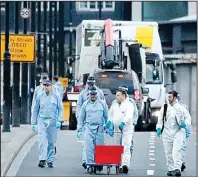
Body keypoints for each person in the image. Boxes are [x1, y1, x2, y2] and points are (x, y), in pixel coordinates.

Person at [31, 80, 63, 168]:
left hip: (52, 121)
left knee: (51, 142)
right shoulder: (40, 96)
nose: (46, 87)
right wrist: (33, 123)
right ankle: (42, 159)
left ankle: (50, 160)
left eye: (48, 85)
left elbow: (60, 108)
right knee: (42, 140)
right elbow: (35, 109)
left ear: (51, 86)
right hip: (42, 120)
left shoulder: (56, 96)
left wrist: (59, 120)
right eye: (44, 85)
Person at [76, 75, 105, 169]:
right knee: (88, 144)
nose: (90, 84)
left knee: (99, 145)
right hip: (87, 122)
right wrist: (79, 123)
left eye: (92, 83)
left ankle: (99, 162)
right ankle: (87, 161)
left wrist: (107, 124)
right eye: (89, 83)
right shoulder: (83, 94)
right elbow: (79, 106)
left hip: (98, 124)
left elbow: (105, 111)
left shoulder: (100, 93)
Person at [156, 90, 187, 176]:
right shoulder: (165, 107)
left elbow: (187, 119)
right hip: (166, 132)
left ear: (175, 97)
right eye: (168, 97)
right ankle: (171, 169)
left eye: (170, 97)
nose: (168, 99)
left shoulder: (181, 108)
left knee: (176, 150)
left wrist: (185, 125)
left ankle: (177, 168)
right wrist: (158, 128)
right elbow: (160, 120)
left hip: (178, 132)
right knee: (168, 151)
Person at [106, 86, 134, 174]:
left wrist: (123, 123)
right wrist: (109, 122)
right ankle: (118, 164)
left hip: (126, 129)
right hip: (116, 129)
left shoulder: (129, 105)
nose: (116, 97)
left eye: (118, 95)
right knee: (117, 147)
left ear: (123, 96)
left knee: (126, 146)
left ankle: (125, 165)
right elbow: (110, 115)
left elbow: (128, 116)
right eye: (116, 95)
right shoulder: (114, 105)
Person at [110, 85, 138, 158]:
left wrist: (133, 123)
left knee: (128, 144)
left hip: (128, 126)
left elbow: (135, 114)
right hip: (117, 127)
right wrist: (111, 125)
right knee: (117, 144)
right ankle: (118, 161)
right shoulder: (114, 102)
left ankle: (126, 160)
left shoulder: (131, 102)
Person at [177, 94, 192, 172]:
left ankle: (180, 162)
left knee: (182, 147)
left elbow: (188, 119)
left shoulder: (184, 107)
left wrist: (188, 130)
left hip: (181, 130)